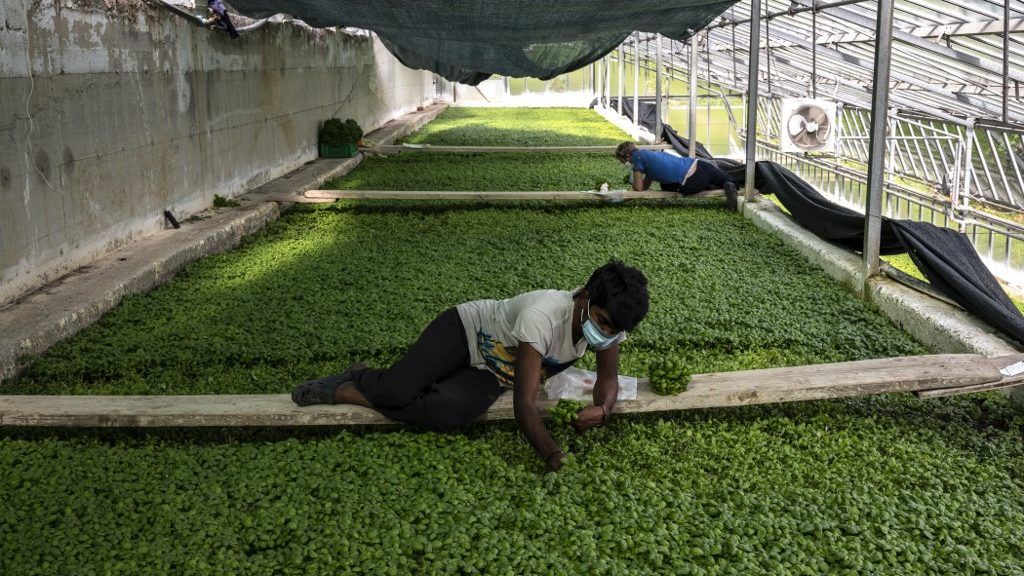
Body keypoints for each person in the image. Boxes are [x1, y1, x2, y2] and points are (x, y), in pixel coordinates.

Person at [291, 260, 650, 472]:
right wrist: (553, 454)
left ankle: (352, 390)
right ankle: (360, 378)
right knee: (395, 391)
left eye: (614, 330)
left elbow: (608, 379)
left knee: (446, 412)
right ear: (585, 299)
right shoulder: (542, 316)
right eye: (602, 323)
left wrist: (603, 410)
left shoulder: (610, 327)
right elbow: (524, 405)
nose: (605, 334)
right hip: (465, 331)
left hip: (492, 371)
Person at [615, 141, 738, 211]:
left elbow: (638, 188)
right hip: (698, 165)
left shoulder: (637, 158)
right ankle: (727, 184)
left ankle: (709, 185)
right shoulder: (646, 153)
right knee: (727, 178)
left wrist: (620, 199)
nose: (627, 164)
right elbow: (646, 184)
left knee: (667, 186)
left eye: (624, 161)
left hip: (691, 181)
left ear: (627, 156)